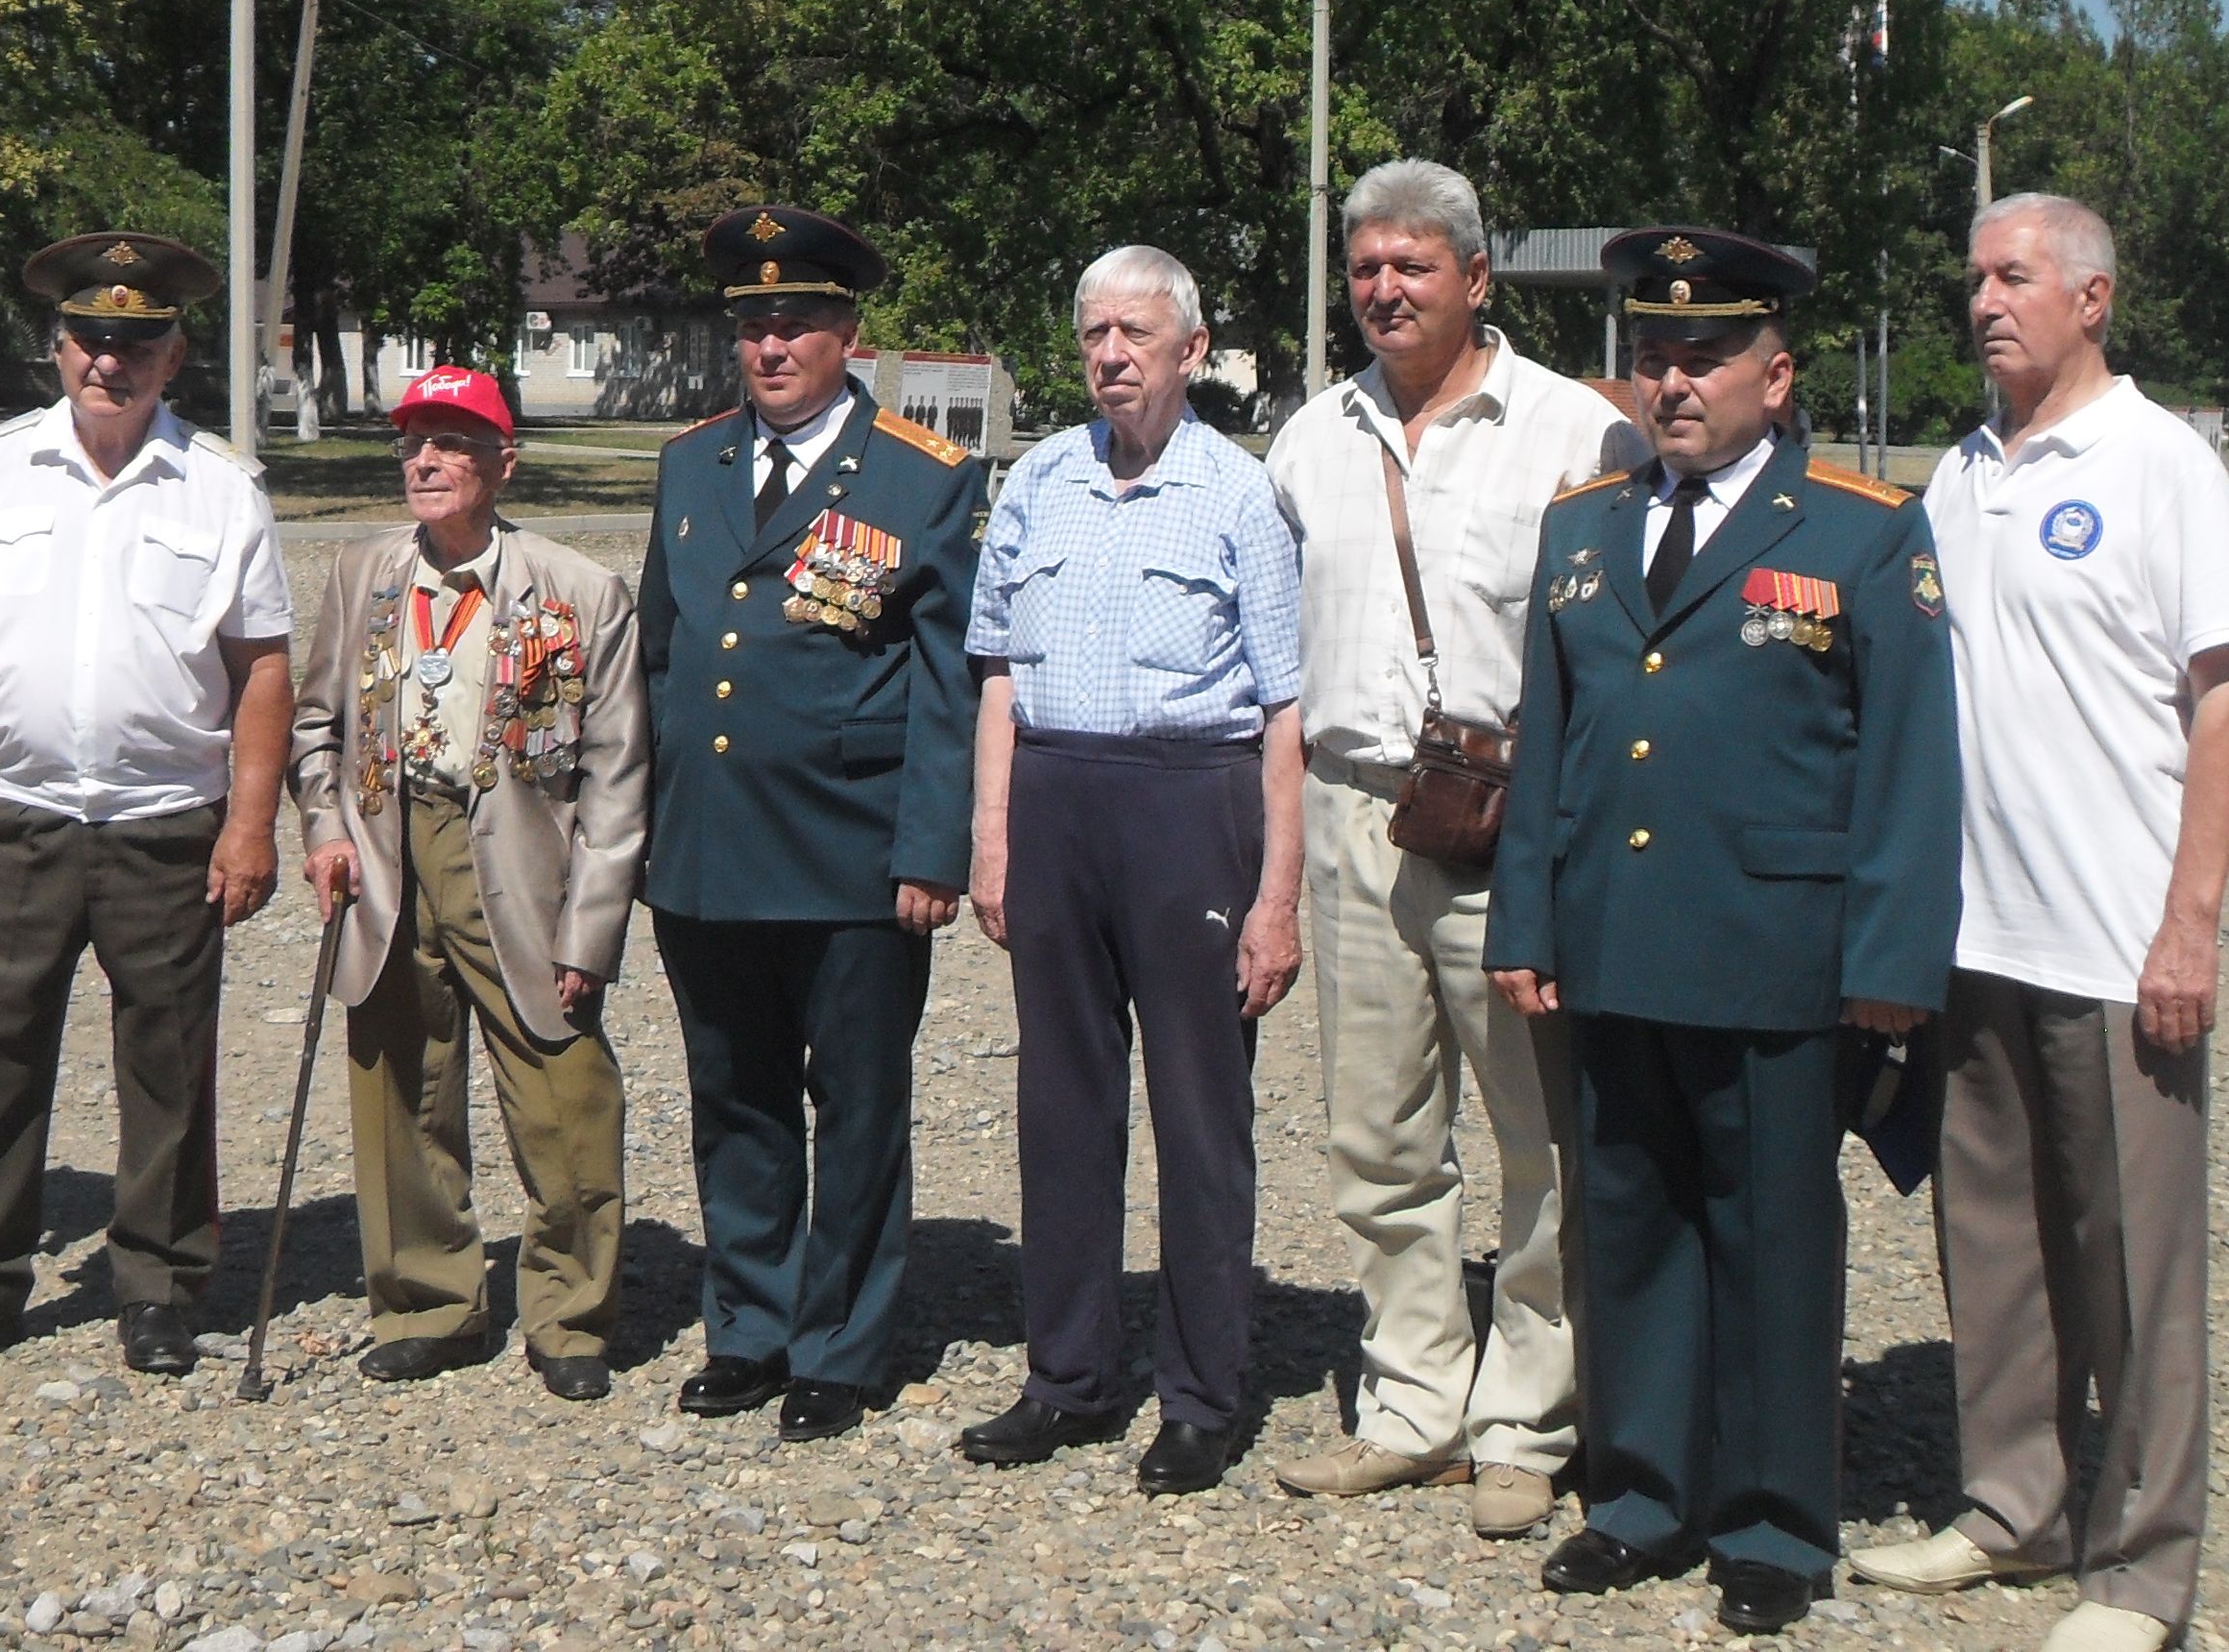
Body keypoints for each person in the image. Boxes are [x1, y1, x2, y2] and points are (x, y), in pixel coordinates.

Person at [1486, 227, 1962, 1638]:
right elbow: (1551, 739)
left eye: (1705, 356)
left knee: (1772, 1244)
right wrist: (1526, 917)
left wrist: (1891, 964)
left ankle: (1772, 1523)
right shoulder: (1585, 526)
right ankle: (1641, 1497)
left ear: (1777, 374)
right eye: (1654, 356)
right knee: (1630, 1227)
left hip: (1774, 953)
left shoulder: (1861, 530)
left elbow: (1910, 764)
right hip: (1615, 943)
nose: (1674, 382)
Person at [1846, 196, 2229, 1652]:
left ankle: (2142, 1569)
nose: (1983, 302)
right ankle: (2015, 1508)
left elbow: (2227, 699)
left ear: (2092, 298)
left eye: (2013, 277)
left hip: (2113, 942)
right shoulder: (1961, 476)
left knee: (2133, 1265)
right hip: (1976, 940)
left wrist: (2190, 927)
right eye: (1974, 278)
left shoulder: (2161, 466)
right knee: (1996, 1250)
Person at [1264, 162, 1637, 1531]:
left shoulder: (1577, 432)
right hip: (1353, 809)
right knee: (1377, 1137)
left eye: (1412, 266)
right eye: (1366, 267)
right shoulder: (1313, 438)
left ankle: (1529, 1421)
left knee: (1541, 1138)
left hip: (1509, 818)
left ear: (1476, 278)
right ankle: (1413, 1403)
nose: (1384, 289)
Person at [0, 231, 295, 1380]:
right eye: (88, 338)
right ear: (58, 346)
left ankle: (160, 1286)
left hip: (165, 821)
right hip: (20, 814)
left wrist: (251, 824)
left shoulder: (221, 489)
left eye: (135, 341)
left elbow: (262, 665)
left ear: (173, 355)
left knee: (169, 1063)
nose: (108, 361)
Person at [637, 204, 989, 1443]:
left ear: (845, 332)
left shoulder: (921, 476)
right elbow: (662, 657)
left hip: (850, 852)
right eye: (752, 325)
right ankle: (752, 1325)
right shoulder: (692, 465)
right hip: (710, 847)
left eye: (794, 323)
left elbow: (949, 682)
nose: (771, 346)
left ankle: (840, 1344)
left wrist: (931, 850)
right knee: (733, 1099)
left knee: (857, 1107)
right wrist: (649, 828)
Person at [958, 247, 1305, 1499]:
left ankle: (1202, 1396)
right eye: (1095, 333)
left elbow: (1285, 710)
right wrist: (993, 832)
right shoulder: (1039, 480)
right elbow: (998, 668)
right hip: (1056, 797)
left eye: (1136, 334)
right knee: (1062, 1105)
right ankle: (1068, 1375)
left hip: (1189, 803)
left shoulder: (1239, 494)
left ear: (1191, 351)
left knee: (1201, 1116)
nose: (1110, 355)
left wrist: (1276, 896)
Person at [293, 362, 650, 1402]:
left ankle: (570, 1315)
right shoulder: (364, 571)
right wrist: (325, 826)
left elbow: (619, 776)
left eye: (451, 443)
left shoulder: (579, 588)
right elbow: (317, 725)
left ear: (505, 462)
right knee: (399, 1083)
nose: (426, 461)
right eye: (413, 443)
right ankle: (427, 1303)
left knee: (564, 1089)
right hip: (391, 849)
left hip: (522, 863)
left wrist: (591, 929)